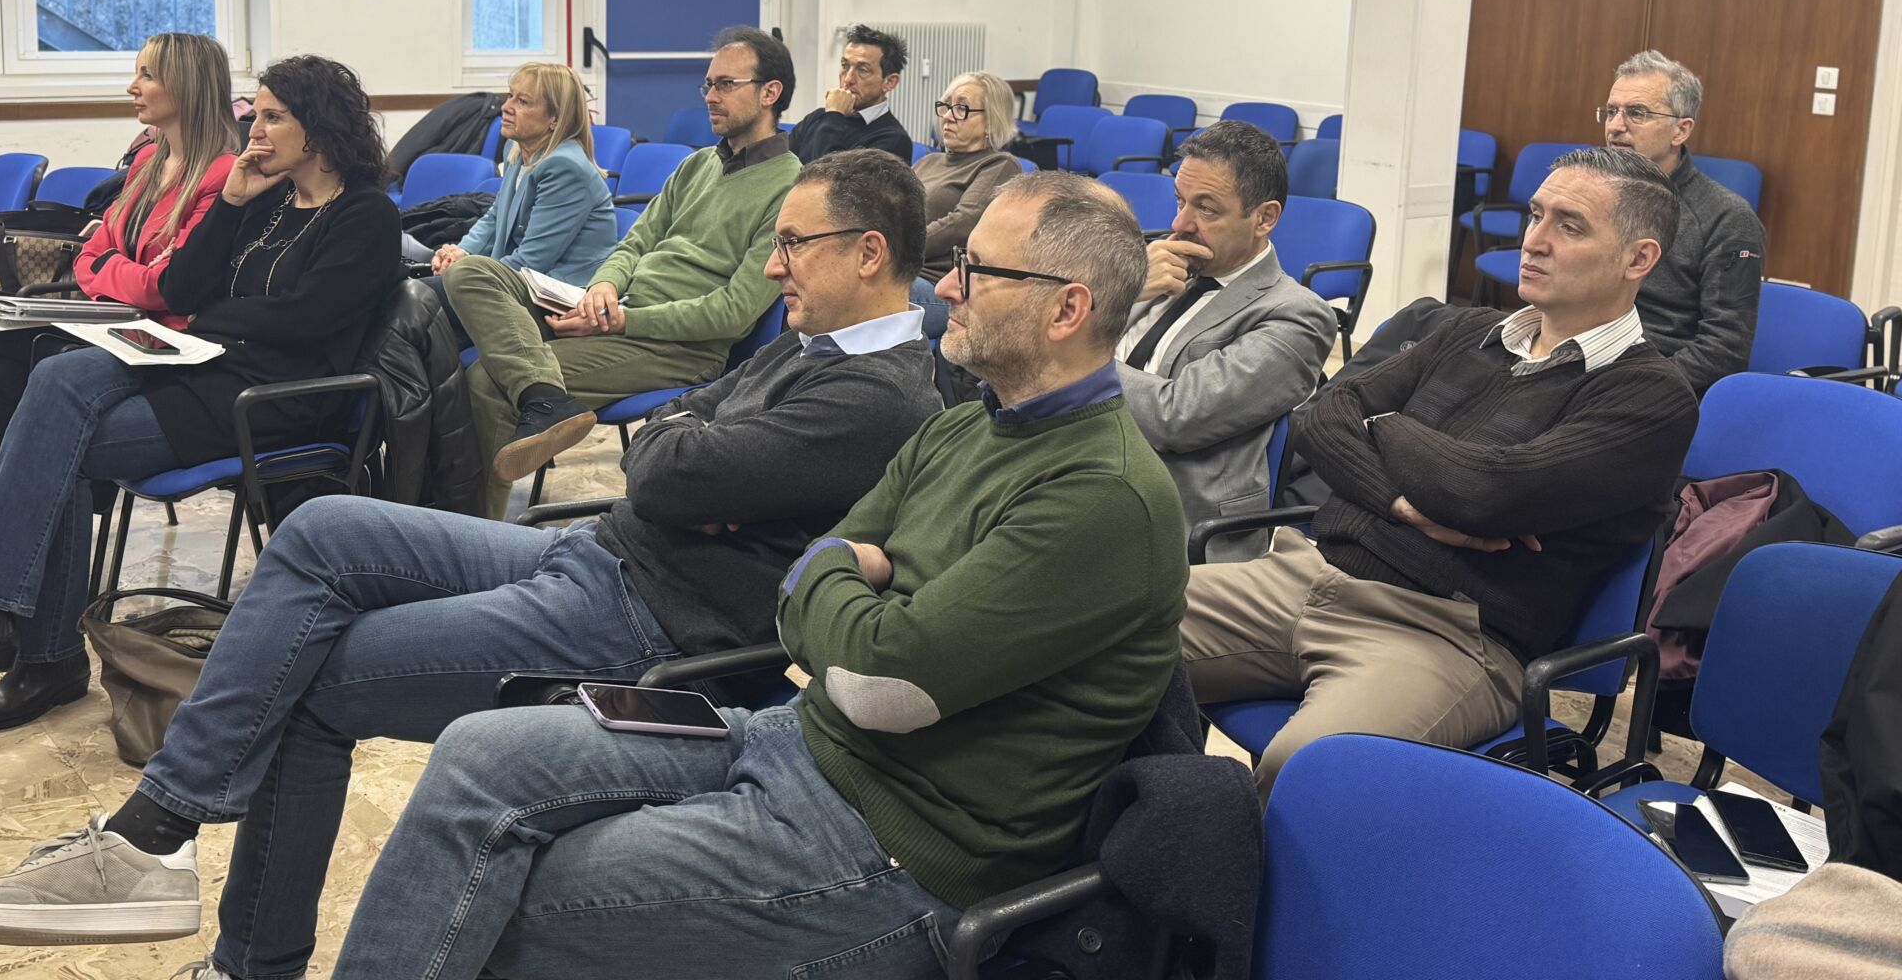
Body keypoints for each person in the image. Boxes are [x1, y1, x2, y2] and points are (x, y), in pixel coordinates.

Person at [0, 151, 944, 974]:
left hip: (648, 618)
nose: (772, 268)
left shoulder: (878, 395)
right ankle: (160, 841)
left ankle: (206, 906)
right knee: (324, 529)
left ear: (868, 254)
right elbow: (673, 445)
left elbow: (669, 465)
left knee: (303, 682)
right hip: (596, 554)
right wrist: (683, 454)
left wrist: (682, 454)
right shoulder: (808, 348)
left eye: (793, 246)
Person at [311, 174, 1184, 978]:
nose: (946, 288)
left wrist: (839, 575)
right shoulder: (962, 430)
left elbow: (882, 683)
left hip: (894, 844)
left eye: (976, 270)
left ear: (1066, 309)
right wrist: (844, 573)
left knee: (516, 896)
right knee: (477, 756)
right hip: (795, 738)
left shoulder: (1100, 495)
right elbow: (802, 584)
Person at [0, 55, 402, 736]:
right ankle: (4, 623)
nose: (255, 131)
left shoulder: (365, 216)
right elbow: (184, 289)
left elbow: (303, 323)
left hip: (269, 398)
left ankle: (33, 646)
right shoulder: (266, 200)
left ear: (321, 127)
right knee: (55, 377)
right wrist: (230, 205)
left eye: (274, 118)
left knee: (52, 445)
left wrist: (214, 320)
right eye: (258, 114)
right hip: (199, 364)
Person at [1182, 147, 1699, 799]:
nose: (1534, 241)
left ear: (1638, 259)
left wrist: (1381, 423)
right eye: (1535, 215)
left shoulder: (1651, 397)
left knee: (1309, 772)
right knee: (1096, 633)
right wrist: (1401, 502)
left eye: (1570, 226)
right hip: (1304, 574)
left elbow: (1483, 492)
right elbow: (1322, 416)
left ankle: (1219, 864)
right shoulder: (1469, 330)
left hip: (1445, 635)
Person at [0, 32, 240, 553]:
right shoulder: (150, 160)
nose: (132, 86)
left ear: (187, 85)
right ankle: (23, 526)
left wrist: (107, 267)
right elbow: (89, 255)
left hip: (150, 337)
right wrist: (111, 267)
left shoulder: (219, 175)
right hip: (105, 316)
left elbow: (162, 289)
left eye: (147, 75)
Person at [448, 26, 800, 490]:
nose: (711, 97)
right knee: (472, 273)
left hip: (679, 349)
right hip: (620, 314)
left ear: (770, 93)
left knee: (487, 379)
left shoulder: (791, 189)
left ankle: (473, 526)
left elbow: (733, 313)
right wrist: (604, 288)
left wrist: (623, 322)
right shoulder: (697, 165)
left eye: (725, 85)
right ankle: (544, 396)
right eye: (708, 85)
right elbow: (633, 244)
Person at [1116, 121, 1337, 536]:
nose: (1180, 223)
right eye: (1180, 200)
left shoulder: (1297, 316)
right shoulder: (1160, 264)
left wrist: (1074, 360)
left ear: (1264, 218)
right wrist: (1124, 290)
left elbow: (1175, 416)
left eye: (1207, 209)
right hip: (1086, 463)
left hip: (1168, 516)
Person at [1599, 48, 1766, 393]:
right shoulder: (1593, 195)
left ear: (1680, 131)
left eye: (1636, 113)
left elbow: (1724, 350)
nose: (1615, 126)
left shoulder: (1728, 218)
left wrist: (1633, 388)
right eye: (1611, 111)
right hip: (1581, 360)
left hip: (1652, 383)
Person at [419, 61, 615, 286]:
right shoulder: (516, 149)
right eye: (510, 96)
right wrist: (461, 252)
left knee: (421, 292)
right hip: (520, 276)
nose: (506, 107)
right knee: (420, 285)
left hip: (561, 288)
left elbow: (533, 260)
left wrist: (464, 271)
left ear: (555, 119)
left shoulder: (564, 167)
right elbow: (496, 216)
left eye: (522, 101)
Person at [910, 69, 1025, 340]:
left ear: (990, 122)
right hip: (899, 270)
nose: (948, 116)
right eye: (946, 106)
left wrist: (895, 248)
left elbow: (963, 222)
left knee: (859, 292)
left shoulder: (999, 165)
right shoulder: (928, 162)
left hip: (941, 288)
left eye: (961, 108)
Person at [788, 23, 914, 164]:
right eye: (845, 65)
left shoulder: (893, 141)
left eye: (863, 70)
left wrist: (834, 115)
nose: (848, 79)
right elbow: (783, 166)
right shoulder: (817, 118)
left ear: (890, 82)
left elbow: (828, 176)